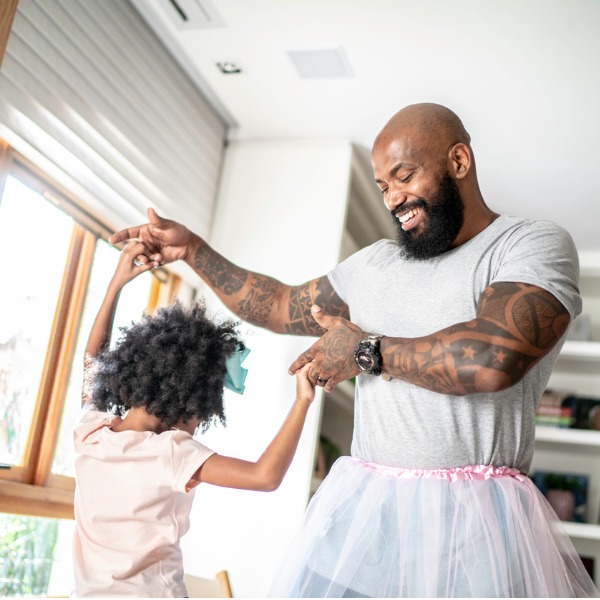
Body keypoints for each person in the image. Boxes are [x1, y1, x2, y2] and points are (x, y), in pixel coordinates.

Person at [109, 103, 599, 597]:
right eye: (384, 186)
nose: (393, 199)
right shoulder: (375, 265)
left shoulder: (529, 244)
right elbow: (279, 305)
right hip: (366, 517)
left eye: (404, 176)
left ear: (458, 161)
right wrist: (192, 249)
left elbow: (493, 358)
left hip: (476, 532)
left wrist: (367, 350)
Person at [72, 240, 316, 598]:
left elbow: (93, 361)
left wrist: (115, 284)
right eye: (202, 413)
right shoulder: (170, 451)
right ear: (187, 400)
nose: (198, 424)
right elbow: (265, 477)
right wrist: (302, 401)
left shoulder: (90, 432)